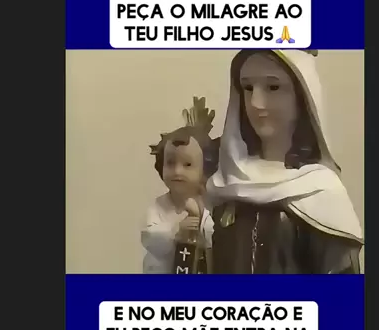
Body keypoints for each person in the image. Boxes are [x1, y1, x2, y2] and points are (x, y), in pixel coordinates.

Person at [205, 50, 363, 274]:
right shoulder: (227, 183)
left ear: (303, 96)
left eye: (273, 87)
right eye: (247, 88)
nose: (256, 103)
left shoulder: (322, 192)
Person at [141, 98, 220, 273]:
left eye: (187, 164)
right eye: (170, 163)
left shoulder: (213, 205)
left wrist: (200, 218)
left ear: (206, 168)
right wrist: (176, 231)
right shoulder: (159, 207)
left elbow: (218, 239)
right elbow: (150, 238)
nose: (177, 171)